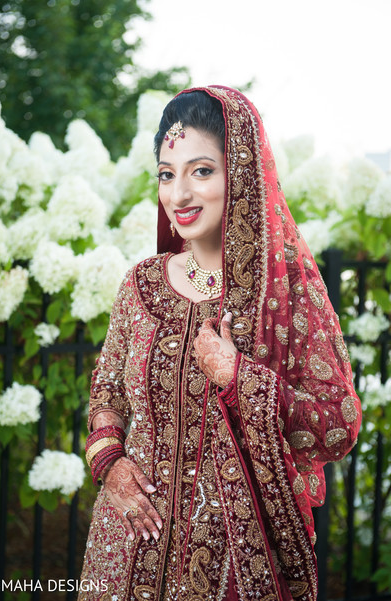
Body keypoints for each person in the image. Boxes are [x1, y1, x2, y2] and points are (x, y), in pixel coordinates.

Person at [79, 86, 361, 601]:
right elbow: (107, 394)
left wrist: (239, 378)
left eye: (201, 171)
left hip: (231, 569)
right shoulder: (140, 285)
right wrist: (110, 463)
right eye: (168, 174)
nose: (179, 194)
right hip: (120, 553)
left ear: (243, 176)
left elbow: (337, 423)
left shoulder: (285, 293)